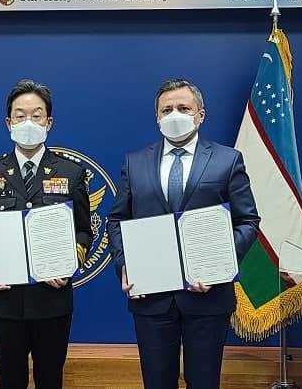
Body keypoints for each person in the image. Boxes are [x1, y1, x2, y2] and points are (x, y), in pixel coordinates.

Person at [107, 78, 260, 389]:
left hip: (208, 298)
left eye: (183, 108)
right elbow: (117, 220)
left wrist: (219, 265)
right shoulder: (135, 163)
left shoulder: (227, 160)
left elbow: (248, 221)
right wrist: (125, 264)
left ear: (200, 115)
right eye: (167, 109)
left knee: (203, 382)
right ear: (157, 117)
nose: (174, 114)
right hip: (151, 298)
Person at [0, 79, 93, 389]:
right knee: (10, 379)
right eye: (20, 115)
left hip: (52, 300)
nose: (28, 122)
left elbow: (84, 230)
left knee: (50, 379)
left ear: (48, 122)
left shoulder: (71, 172)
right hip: (5, 301)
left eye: (36, 115)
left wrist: (69, 263)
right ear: (8, 123)